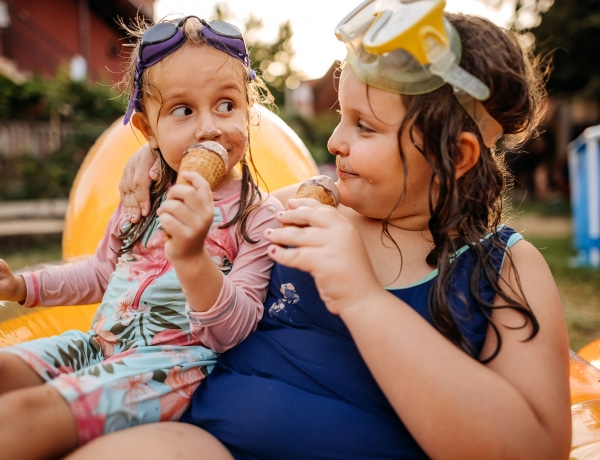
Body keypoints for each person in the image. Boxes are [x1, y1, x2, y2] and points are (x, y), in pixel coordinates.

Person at [68, 1, 572, 459]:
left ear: (456, 156)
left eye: (364, 126)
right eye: (340, 116)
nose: (335, 142)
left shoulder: (503, 269)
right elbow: (205, 217)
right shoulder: (294, 210)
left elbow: (534, 447)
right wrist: (154, 159)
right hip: (207, 441)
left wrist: (360, 297)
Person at [0, 15, 282, 460]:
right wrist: (22, 287)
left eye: (226, 104)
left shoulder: (258, 216)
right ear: (150, 132)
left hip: (169, 368)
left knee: (25, 415)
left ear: (249, 111)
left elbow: (238, 329)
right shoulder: (144, 194)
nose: (208, 126)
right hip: (99, 344)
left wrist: (193, 258)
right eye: (183, 111)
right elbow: (99, 272)